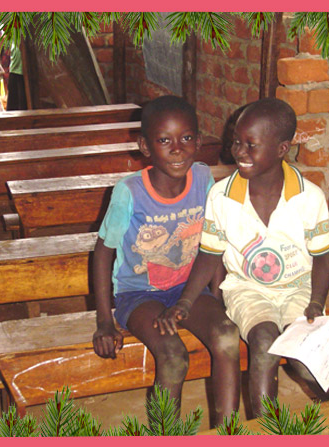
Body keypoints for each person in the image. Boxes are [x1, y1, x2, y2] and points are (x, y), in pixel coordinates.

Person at [159, 98, 329, 417]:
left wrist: (316, 302)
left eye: (250, 145)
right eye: (236, 142)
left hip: (299, 290)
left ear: (281, 149)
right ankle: (266, 428)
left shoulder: (308, 197)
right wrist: (185, 301)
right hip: (247, 289)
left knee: (304, 358)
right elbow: (209, 255)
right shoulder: (222, 196)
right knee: (264, 341)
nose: (239, 152)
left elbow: (324, 257)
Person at [92, 95, 240, 426]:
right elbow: (103, 253)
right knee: (173, 356)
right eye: (164, 141)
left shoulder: (202, 178)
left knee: (227, 336)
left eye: (186, 138)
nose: (177, 149)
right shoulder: (129, 192)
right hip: (138, 294)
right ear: (145, 146)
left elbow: (211, 244)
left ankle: (228, 433)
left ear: (198, 141)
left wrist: (218, 298)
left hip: (190, 289)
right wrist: (105, 321)